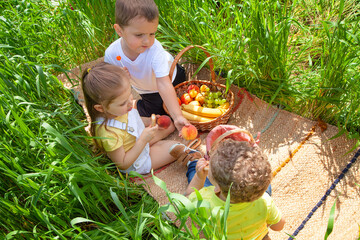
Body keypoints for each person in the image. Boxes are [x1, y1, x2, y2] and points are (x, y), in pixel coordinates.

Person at [81, 62, 201, 174]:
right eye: (123, 103)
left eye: (129, 95)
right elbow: (122, 163)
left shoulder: (117, 109)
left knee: (168, 124)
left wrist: (149, 121)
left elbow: (132, 119)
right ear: (101, 108)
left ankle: (154, 141)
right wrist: (143, 139)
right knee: (176, 149)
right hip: (136, 159)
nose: (129, 102)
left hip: (139, 140)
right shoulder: (107, 132)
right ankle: (193, 163)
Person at [104, 0, 190, 132]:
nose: (148, 41)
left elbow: (164, 83)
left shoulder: (155, 50)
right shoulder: (112, 54)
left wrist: (178, 116)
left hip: (172, 78)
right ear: (119, 30)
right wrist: (121, 79)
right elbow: (110, 84)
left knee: (184, 102)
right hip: (149, 91)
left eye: (152, 34)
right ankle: (137, 105)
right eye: (139, 35)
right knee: (160, 113)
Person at [185, 139, 285, 240]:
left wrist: (199, 177)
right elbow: (279, 226)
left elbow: (188, 197)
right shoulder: (264, 201)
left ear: (217, 188)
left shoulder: (206, 202)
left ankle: (193, 162)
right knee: (258, 176)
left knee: (196, 172)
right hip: (256, 223)